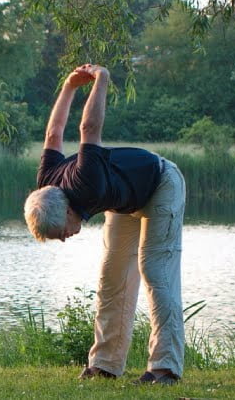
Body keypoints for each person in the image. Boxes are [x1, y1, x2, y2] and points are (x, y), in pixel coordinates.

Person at [23, 64, 186, 386]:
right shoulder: (46, 183)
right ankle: (105, 364)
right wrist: (68, 86)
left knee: (155, 271)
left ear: (67, 211)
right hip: (124, 200)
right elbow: (53, 134)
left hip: (161, 184)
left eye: (61, 233)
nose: (66, 239)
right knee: (112, 278)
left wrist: (102, 80)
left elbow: (89, 128)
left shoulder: (87, 182)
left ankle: (165, 368)